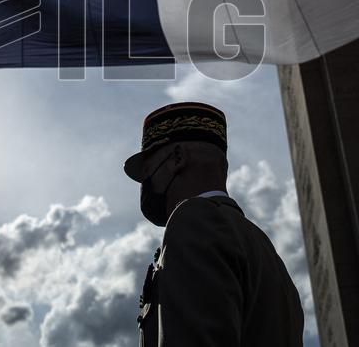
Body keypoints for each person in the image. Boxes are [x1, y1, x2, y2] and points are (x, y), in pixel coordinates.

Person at [124, 102, 304, 346]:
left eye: (147, 171)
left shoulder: (192, 221)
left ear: (177, 158)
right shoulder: (261, 246)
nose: (145, 184)